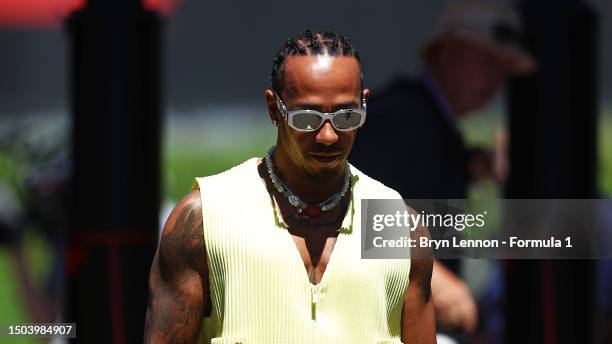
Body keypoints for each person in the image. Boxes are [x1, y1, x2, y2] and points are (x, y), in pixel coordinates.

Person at [144, 30, 435, 343]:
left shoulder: (398, 225)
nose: (328, 136)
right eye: (306, 119)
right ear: (274, 109)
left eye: (346, 116)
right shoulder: (204, 219)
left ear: (365, 103)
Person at [350, 0, 536, 337]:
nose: (495, 79)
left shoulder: (429, 121)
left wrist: (474, 164)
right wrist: (434, 279)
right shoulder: (402, 117)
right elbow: (353, 217)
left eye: (502, 68)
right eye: (486, 61)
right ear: (448, 51)